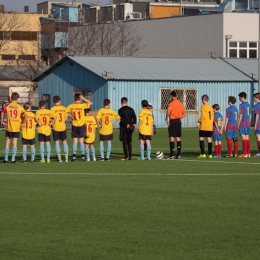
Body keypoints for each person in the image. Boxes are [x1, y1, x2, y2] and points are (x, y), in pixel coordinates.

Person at [67, 93, 92, 162]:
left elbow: (65, 111)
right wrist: (83, 98)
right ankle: (83, 157)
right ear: (80, 99)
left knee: (75, 141)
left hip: (74, 124)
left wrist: (71, 116)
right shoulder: (82, 106)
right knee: (81, 141)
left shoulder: (71, 106)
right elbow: (90, 103)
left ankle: (74, 157)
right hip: (81, 125)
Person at [1, 92, 25, 163]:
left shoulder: (8, 106)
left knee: (7, 142)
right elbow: (25, 115)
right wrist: (23, 122)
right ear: (17, 99)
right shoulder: (20, 107)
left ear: (11, 98)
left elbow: (2, 112)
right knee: (14, 143)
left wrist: (2, 121)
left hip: (9, 127)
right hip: (16, 127)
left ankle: (5, 159)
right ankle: (13, 159)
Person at [165, 91, 186, 159]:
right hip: (178, 121)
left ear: (171, 96)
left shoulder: (171, 103)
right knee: (178, 137)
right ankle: (179, 154)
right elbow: (184, 114)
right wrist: (180, 117)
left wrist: (167, 119)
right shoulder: (180, 103)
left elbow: (168, 111)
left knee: (171, 137)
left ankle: (172, 154)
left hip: (173, 121)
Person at [50, 95, 69, 162]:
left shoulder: (52, 109)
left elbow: (51, 119)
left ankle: (59, 158)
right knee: (64, 142)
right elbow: (66, 119)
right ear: (59, 100)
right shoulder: (64, 108)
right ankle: (66, 158)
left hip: (56, 127)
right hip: (63, 127)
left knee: (57, 142)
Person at [197, 94, 214, 159]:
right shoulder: (211, 107)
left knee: (201, 138)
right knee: (209, 139)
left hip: (204, 125)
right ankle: (210, 154)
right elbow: (212, 117)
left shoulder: (203, 106)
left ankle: (203, 153)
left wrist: (199, 121)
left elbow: (203, 116)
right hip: (210, 126)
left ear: (203, 100)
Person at [238, 92, 252, 157]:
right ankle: (248, 153)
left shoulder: (241, 105)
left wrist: (238, 124)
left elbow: (240, 115)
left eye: (239, 97)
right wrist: (249, 122)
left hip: (243, 122)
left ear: (242, 97)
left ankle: (245, 153)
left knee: (243, 137)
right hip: (247, 123)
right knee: (247, 137)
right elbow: (250, 115)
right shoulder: (249, 105)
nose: (239, 99)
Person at [253, 93, 260, 157]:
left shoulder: (256, 106)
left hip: (258, 123)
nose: (253, 99)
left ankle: (259, 153)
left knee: (258, 137)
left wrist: (255, 124)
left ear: (257, 98)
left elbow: (257, 115)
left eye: (254, 98)